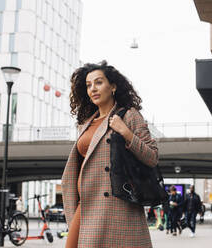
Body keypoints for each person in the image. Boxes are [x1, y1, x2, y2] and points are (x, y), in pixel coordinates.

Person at [61, 61, 158, 248]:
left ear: (112, 86)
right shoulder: (86, 122)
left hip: (114, 205)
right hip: (87, 202)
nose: (93, 89)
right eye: (88, 85)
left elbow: (152, 157)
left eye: (98, 82)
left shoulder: (129, 115)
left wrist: (126, 133)